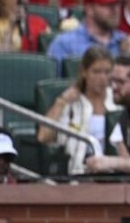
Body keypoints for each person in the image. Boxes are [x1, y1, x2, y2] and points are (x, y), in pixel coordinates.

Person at [38, 46, 117, 175]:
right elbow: (44, 136)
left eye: (107, 72)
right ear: (84, 72)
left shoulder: (118, 100)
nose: (102, 78)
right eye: (96, 72)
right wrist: (61, 102)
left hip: (116, 173)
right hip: (80, 172)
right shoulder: (71, 102)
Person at [46, 0, 126, 64]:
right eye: (108, 5)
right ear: (89, 9)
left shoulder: (125, 42)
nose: (115, 10)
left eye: (117, 4)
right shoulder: (65, 44)